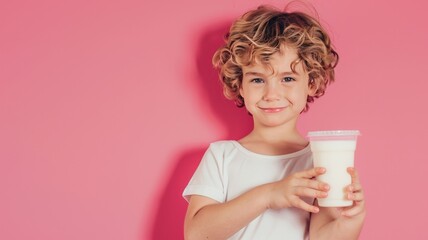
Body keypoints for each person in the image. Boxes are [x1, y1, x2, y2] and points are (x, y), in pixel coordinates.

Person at [183, 4, 366, 240]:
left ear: (311, 83)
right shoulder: (221, 156)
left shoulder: (320, 161)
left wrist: (351, 222)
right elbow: (196, 235)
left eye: (287, 78)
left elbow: (324, 236)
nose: (272, 94)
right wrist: (269, 195)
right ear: (240, 85)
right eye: (258, 79)